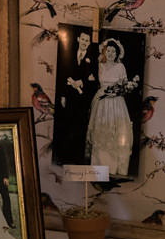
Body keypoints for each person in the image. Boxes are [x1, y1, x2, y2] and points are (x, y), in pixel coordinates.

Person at [86, 37, 136, 176]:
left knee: (116, 131)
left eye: (113, 51)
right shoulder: (99, 65)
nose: (110, 54)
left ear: (117, 53)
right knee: (101, 131)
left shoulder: (120, 67)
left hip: (116, 102)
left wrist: (119, 91)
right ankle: (99, 167)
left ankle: (113, 168)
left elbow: (125, 85)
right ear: (104, 51)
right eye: (108, 51)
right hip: (101, 102)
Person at [53, 28, 99, 165]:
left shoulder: (92, 60)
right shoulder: (69, 54)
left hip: (83, 100)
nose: (84, 42)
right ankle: (63, 157)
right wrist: (62, 95)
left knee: (80, 128)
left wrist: (82, 82)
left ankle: (77, 159)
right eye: (83, 39)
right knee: (67, 125)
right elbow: (62, 76)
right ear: (79, 39)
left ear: (90, 43)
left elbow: (94, 80)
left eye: (87, 41)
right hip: (68, 97)